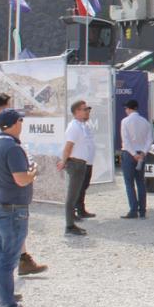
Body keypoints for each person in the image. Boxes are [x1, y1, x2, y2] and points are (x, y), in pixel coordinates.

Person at [0, 93, 47, 276]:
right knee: (3, 250)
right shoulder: (0, 138)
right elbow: (18, 176)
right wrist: (30, 173)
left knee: (3, 247)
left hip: (2, 197)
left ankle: (3, 291)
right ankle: (3, 297)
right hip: (4, 198)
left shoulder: (1, 136)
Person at [0, 109, 38, 307]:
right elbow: (21, 179)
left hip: (0, 207)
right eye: (20, 120)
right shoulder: (12, 147)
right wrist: (33, 172)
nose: (22, 123)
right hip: (13, 209)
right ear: (14, 123)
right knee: (8, 259)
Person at [57, 100, 95, 236]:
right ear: (76, 112)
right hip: (75, 163)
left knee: (76, 193)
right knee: (72, 195)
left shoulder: (82, 126)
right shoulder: (74, 127)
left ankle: (72, 222)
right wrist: (63, 161)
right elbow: (68, 146)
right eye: (84, 109)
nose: (87, 111)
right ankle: (69, 225)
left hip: (81, 163)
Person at [120, 99, 154, 219]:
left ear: (129, 109)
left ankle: (133, 209)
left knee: (129, 183)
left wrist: (134, 154)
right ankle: (143, 210)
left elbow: (126, 140)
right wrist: (143, 153)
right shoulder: (145, 122)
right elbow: (150, 139)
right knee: (140, 182)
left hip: (129, 153)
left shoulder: (125, 121)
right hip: (142, 153)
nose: (125, 110)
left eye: (126, 108)